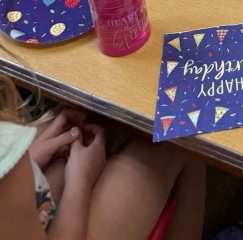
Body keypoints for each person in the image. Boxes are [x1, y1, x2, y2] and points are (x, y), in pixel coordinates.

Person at [0, 66, 206, 238]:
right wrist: (80, 180)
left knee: (86, 117)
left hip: (26, 203)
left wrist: (29, 158)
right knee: (178, 141)